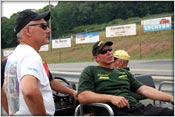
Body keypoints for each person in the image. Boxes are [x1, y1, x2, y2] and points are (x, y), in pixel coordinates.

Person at [2, 9, 77, 115]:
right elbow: (29, 91)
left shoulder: (12, 58)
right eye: (44, 26)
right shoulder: (31, 56)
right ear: (28, 31)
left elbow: (3, 91)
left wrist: (12, 114)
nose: (49, 30)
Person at [77, 40, 174, 116]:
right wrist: (111, 98)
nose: (109, 53)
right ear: (96, 58)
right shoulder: (90, 70)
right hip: (115, 111)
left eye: (110, 49)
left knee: (169, 113)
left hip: (137, 108)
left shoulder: (124, 72)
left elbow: (144, 89)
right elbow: (83, 96)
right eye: (104, 51)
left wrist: (170, 98)